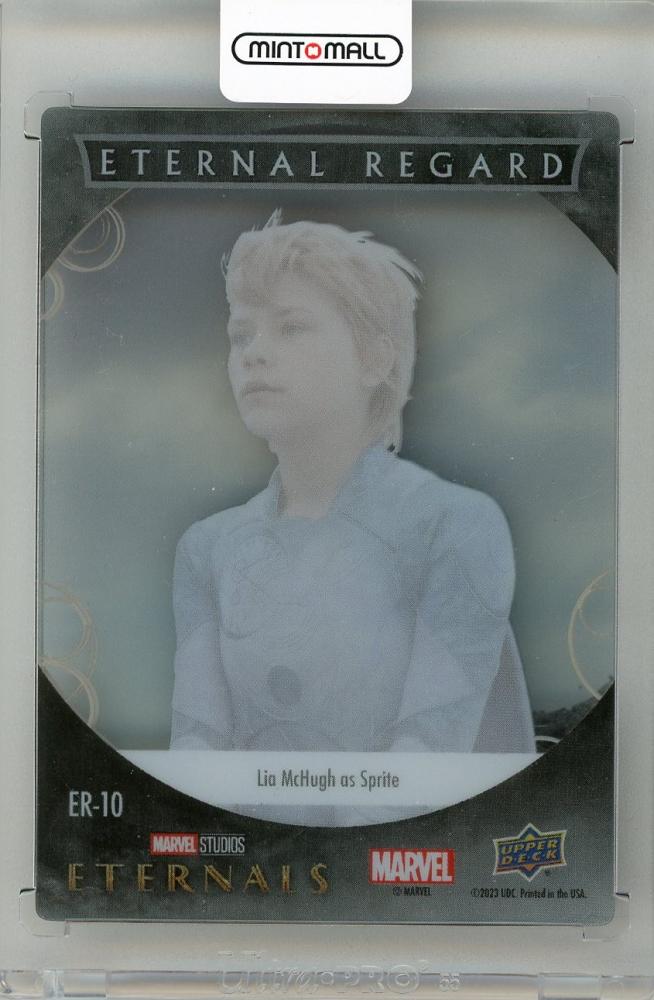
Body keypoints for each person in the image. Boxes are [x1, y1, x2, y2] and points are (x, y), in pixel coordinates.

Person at [170, 211, 534, 756]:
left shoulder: (452, 524)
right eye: (240, 335)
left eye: (291, 327)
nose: (253, 353)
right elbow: (195, 751)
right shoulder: (207, 549)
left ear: (375, 359)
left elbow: (429, 757)